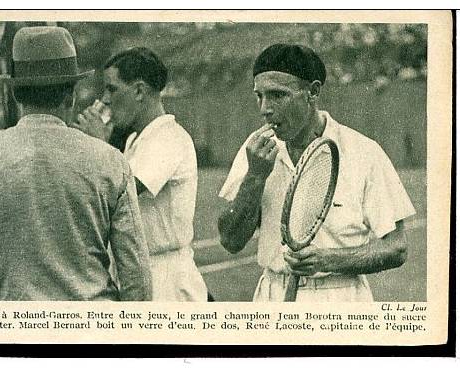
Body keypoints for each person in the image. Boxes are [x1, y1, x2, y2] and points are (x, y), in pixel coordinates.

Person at [0, 26, 151, 301]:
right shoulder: (111, 162)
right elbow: (138, 282)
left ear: (15, 93)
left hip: (18, 330)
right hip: (93, 330)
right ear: (71, 94)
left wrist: (1, 239)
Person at [218, 44, 416, 302]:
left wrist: (328, 260)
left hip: (340, 299)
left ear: (312, 92)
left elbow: (396, 248)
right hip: (272, 295)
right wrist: (255, 176)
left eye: (278, 95)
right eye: (260, 96)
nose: (265, 108)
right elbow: (231, 240)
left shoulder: (364, 152)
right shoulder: (256, 150)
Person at [76, 47, 208, 301]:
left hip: (165, 279)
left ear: (138, 91)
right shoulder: (136, 139)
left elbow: (122, 192)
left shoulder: (169, 137)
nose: (105, 99)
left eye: (112, 89)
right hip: (138, 270)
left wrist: (99, 146)